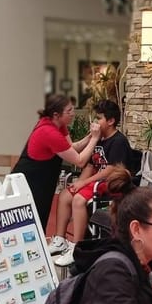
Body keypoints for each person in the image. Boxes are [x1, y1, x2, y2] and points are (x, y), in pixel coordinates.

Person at [49, 99, 134, 268]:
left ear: (110, 121)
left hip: (112, 182)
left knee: (79, 199)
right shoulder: (99, 140)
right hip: (97, 181)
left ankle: (77, 247)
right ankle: (60, 239)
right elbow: (91, 165)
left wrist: (84, 184)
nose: (95, 123)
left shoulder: (118, 141)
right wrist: (78, 183)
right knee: (66, 194)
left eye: (99, 118)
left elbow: (110, 170)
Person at [11, 94, 101, 237]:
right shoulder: (48, 132)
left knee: (41, 220)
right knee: (30, 222)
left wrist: (89, 137)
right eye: (69, 111)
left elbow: (71, 147)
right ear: (56, 115)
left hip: (44, 179)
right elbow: (80, 161)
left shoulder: (59, 125)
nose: (73, 113)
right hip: (29, 180)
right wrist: (95, 138)